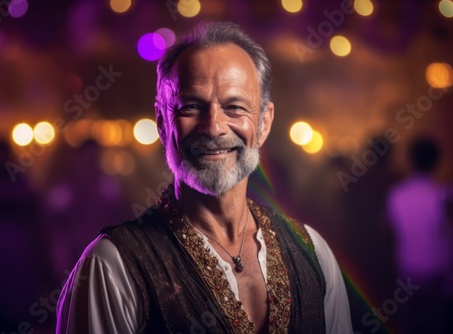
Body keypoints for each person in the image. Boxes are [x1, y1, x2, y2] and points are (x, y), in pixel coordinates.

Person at [56, 22, 352, 333]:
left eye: (234, 107)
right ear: (161, 122)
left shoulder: (313, 252)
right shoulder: (113, 265)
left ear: (263, 124)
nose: (213, 127)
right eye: (192, 107)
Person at [387, 138, 452, 333]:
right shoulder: (443, 194)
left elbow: (389, 229)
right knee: (436, 325)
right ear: (437, 161)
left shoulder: (396, 194)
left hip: (406, 267)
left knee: (410, 325)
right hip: (436, 270)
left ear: (411, 160)